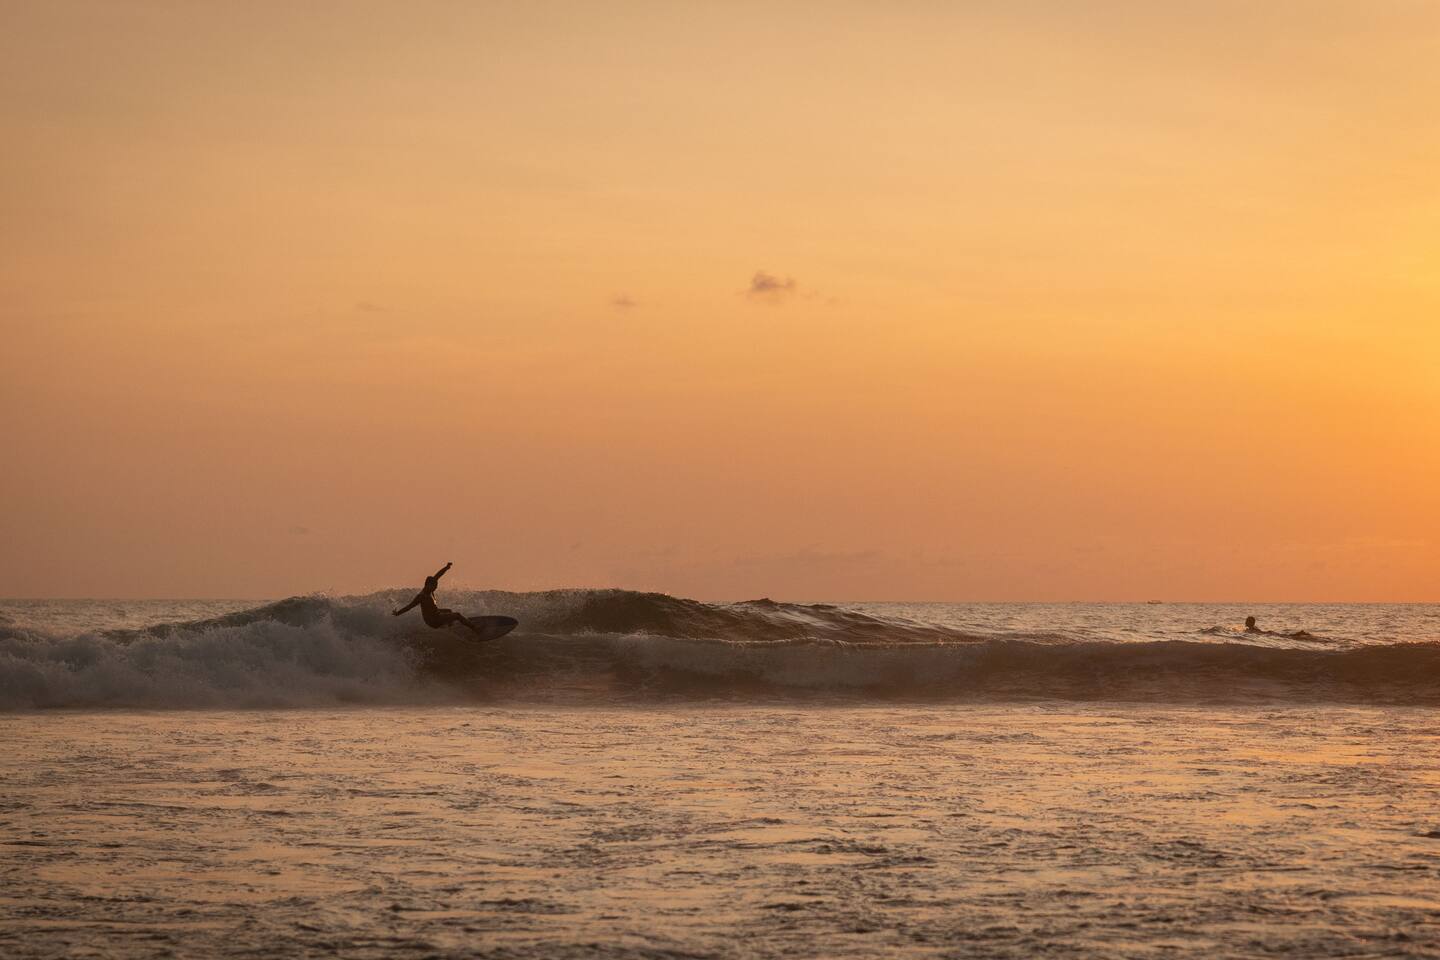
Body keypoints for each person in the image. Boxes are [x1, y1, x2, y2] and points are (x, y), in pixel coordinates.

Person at [392, 562, 487, 637]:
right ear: (428, 585)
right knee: (457, 615)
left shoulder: (430, 588)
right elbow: (409, 607)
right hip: (434, 620)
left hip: (436, 614)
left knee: (449, 611)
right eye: (434, 586)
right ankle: (476, 629)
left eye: (436, 586)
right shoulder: (422, 596)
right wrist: (397, 613)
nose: (435, 588)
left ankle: (452, 629)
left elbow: (438, 575)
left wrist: (446, 568)